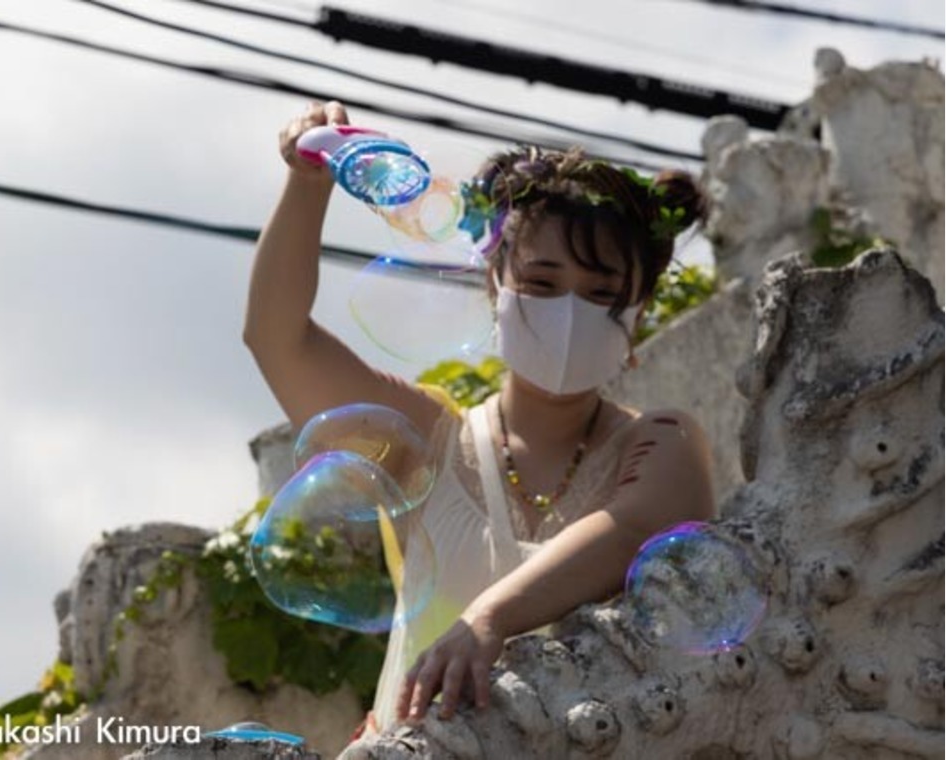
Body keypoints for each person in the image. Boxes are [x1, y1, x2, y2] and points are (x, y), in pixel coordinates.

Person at [243, 100, 715, 738]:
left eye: (601, 293)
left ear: (638, 312)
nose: (569, 311)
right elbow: (278, 339)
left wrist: (489, 616)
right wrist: (306, 183)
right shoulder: (428, 442)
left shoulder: (661, 443)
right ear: (496, 284)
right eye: (542, 284)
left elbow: (634, 526)